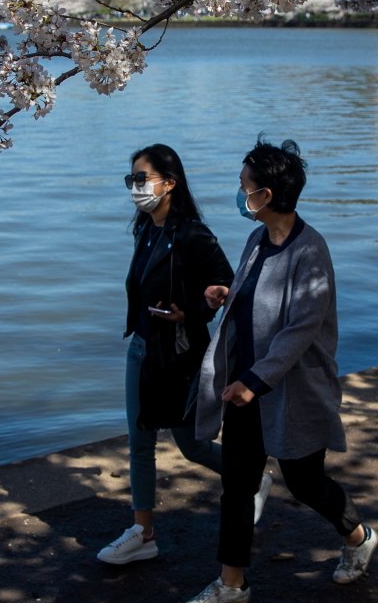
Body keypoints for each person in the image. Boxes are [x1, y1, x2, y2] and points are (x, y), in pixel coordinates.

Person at [180, 138, 377, 603]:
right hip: (246, 389)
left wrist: (256, 381)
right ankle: (232, 583)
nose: (239, 190)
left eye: (244, 184)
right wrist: (226, 296)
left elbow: (300, 329)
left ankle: (358, 535)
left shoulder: (311, 251)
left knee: (305, 482)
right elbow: (260, 300)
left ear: (266, 195)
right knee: (238, 484)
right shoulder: (257, 240)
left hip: (291, 390)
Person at [96, 143, 270, 567]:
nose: (135, 188)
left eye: (142, 179)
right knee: (140, 442)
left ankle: (251, 477)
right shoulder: (145, 228)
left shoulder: (193, 235)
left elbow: (231, 290)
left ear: (169, 183)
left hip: (178, 353)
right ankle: (143, 532)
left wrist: (188, 312)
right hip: (141, 348)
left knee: (192, 446)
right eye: (131, 180)